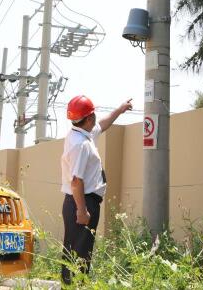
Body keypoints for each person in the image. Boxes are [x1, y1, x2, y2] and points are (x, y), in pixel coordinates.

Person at [60, 94, 132, 284]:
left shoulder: (82, 133)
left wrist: (120, 109)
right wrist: (82, 211)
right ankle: (74, 286)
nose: (95, 118)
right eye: (93, 114)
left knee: (77, 251)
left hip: (81, 201)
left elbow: (103, 124)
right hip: (81, 202)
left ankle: (73, 285)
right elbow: (76, 181)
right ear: (88, 118)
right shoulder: (81, 144)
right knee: (79, 254)